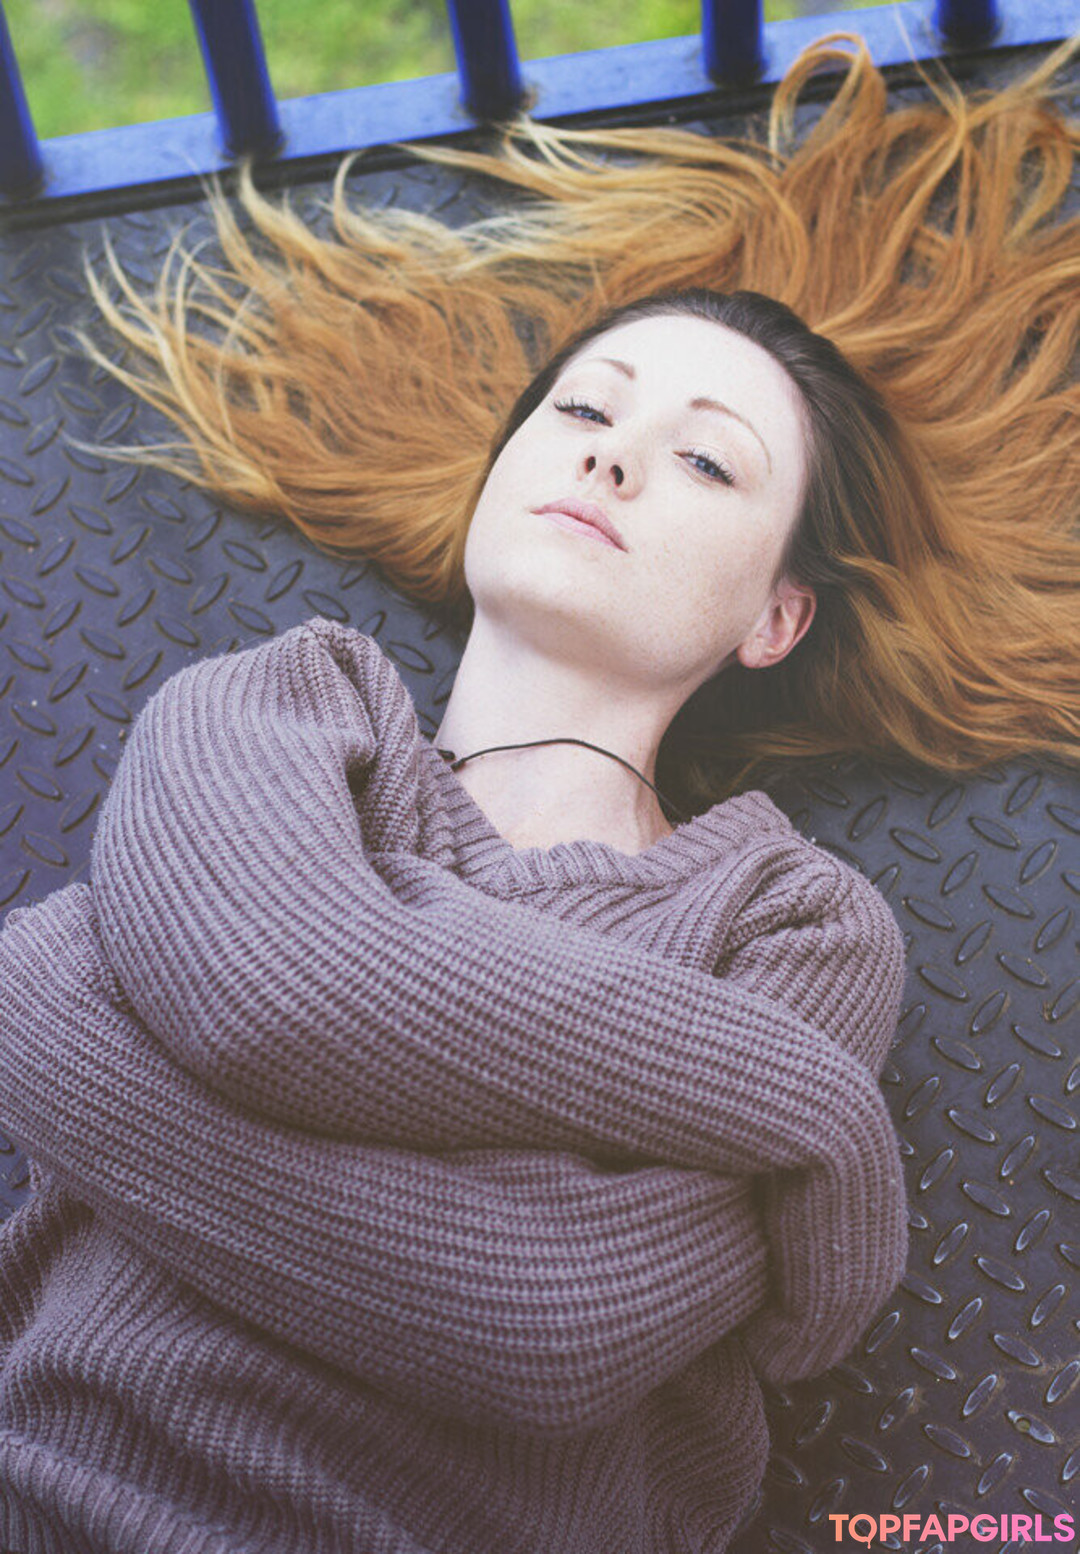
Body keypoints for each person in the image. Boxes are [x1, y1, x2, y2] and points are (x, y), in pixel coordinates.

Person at [0, 28, 1076, 1554]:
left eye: (707, 463)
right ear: (500, 478)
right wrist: (805, 1108)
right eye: (582, 411)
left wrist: (78, 1014)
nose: (615, 459)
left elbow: (535, 1323)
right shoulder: (287, 699)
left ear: (777, 617)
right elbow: (272, 995)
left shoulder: (793, 923)